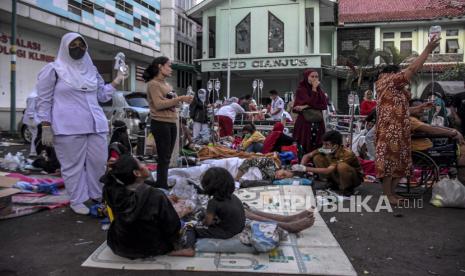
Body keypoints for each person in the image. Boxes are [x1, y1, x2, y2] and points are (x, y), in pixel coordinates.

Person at [36, 32, 127, 215]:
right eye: (74, 44)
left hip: (96, 124)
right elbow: (43, 100)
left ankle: (96, 194)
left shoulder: (91, 70)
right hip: (68, 126)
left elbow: (101, 95)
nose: (79, 48)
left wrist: (117, 80)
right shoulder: (53, 70)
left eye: (82, 44)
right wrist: (45, 124)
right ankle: (77, 199)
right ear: (64, 46)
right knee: (72, 166)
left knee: (98, 162)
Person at [375, 36, 440, 205]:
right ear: (392, 73)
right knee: (389, 163)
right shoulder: (388, 81)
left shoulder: (394, 90)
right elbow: (412, 69)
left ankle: (392, 194)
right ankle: (388, 196)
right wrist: (427, 50)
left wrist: (417, 109)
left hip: (400, 131)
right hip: (390, 131)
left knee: (401, 164)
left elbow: (397, 109)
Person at [102, 155, 195, 258]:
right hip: (150, 247)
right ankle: (173, 250)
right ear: (136, 173)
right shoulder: (154, 194)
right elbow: (172, 226)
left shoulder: (110, 189)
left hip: (119, 245)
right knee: (188, 227)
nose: (145, 164)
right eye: (141, 163)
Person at [144, 56, 193, 189]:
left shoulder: (167, 84)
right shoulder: (153, 84)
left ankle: (161, 183)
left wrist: (182, 101)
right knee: (164, 156)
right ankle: (161, 185)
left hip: (172, 122)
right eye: (169, 66)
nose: (171, 69)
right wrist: (180, 98)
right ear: (160, 66)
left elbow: (174, 104)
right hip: (160, 122)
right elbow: (159, 104)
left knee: (167, 156)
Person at [409, 99, 465, 182]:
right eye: (418, 107)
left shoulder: (416, 119)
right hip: (425, 151)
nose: (422, 109)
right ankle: (462, 177)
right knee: (462, 151)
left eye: (422, 107)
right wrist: (452, 133)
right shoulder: (411, 120)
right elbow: (431, 130)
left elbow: (433, 128)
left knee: (461, 147)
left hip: (428, 148)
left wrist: (453, 131)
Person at [301, 130, 363, 195]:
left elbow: (328, 170)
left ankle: (348, 189)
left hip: (354, 178)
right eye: (323, 144)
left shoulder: (347, 153)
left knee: (342, 166)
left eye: (327, 144)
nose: (324, 146)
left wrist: (305, 168)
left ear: (335, 146)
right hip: (335, 173)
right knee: (317, 157)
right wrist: (301, 166)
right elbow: (307, 155)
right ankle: (330, 183)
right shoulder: (325, 148)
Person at [195, 167, 246, 239]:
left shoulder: (213, 202)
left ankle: (188, 246)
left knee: (195, 229)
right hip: (240, 226)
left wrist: (202, 222)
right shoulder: (233, 196)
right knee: (206, 214)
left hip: (228, 232)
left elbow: (208, 222)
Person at [293, 69, 328, 153]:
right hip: (305, 123)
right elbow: (297, 107)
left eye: (316, 76)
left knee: (318, 145)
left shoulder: (320, 91)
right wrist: (314, 89)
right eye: (312, 76)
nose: (315, 79)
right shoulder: (301, 90)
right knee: (304, 145)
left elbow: (324, 105)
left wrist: (305, 106)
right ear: (306, 77)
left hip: (318, 122)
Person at [23, 88, 39, 157]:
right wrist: (32, 119)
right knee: (36, 135)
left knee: (35, 136)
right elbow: (31, 109)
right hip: (32, 119)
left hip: (32, 119)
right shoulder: (33, 97)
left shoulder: (32, 96)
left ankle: (34, 151)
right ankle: (33, 152)